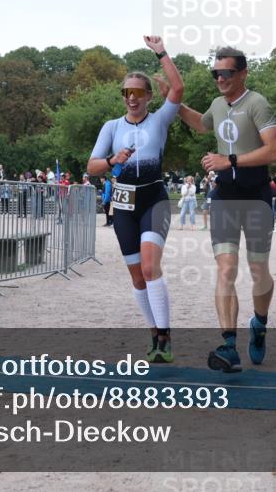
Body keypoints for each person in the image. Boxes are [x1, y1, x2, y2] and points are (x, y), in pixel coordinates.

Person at [170, 46, 276, 373]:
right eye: (215, 73)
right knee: (226, 269)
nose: (220, 79)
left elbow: (274, 151)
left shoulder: (257, 103)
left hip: (256, 195)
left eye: (226, 73)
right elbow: (202, 124)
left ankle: (259, 324)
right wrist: (175, 104)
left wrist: (229, 160)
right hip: (225, 197)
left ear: (242, 73)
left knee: (259, 271)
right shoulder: (218, 105)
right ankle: (229, 345)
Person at [87, 35, 184, 364]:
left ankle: (165, 334)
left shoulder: (159, 120)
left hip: (153, 200)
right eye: (126, 92)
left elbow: (178, 89)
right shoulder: (112, 126)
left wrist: (161, 53)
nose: (131, 98)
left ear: (146, 96)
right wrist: (114, 160)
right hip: (124, 205)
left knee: (149, 266)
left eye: (137, 92)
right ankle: (154, 334)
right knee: (137, 276)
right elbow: (92, 167)